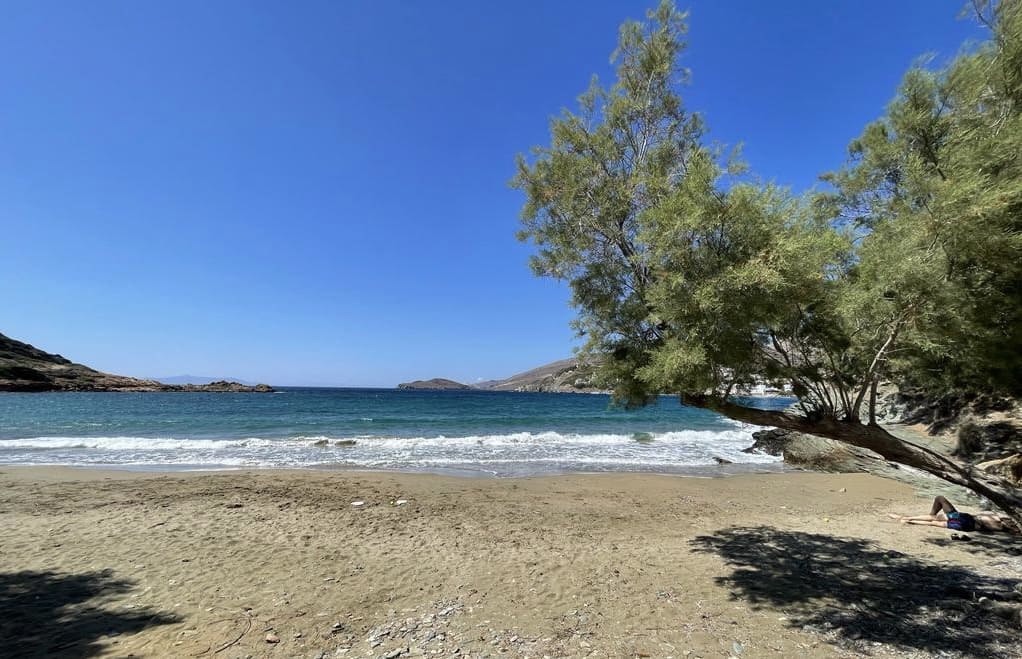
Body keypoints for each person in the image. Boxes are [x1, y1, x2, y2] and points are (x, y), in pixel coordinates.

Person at [888, 496, 1021, 534]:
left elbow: (990, 513)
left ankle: (904, 518)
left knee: (939, 501)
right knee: (934, 523)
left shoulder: (997, 519)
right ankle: (908, 520)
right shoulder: (1000, 527)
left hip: (965, 519)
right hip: (966, 526)